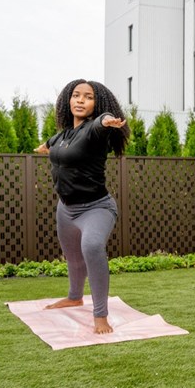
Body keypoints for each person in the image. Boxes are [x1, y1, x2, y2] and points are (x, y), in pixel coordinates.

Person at [35, 79, 130, 334]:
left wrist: (107, 120)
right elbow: (53, 143)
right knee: (73, 257)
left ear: (96, 104)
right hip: (66, 210)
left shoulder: (94, 130)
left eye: (87, 97)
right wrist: (45, 147)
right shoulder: (63, 134)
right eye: (76, 95)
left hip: (96, 208)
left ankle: (100, 315)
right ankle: (74, 296)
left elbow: (102, 121)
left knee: (91, 246)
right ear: (68, 100)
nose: (80, 100)